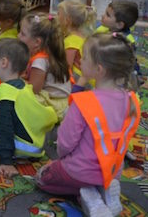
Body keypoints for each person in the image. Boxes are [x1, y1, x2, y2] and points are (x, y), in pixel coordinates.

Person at [35, 33, 140, 217]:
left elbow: (65, 143)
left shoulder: (84, 101)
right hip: (111, 171)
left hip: (78, 171)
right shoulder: (132, 101)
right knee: (82, 173)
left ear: (99, 70)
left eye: (84, 57)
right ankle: (99, 190)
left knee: (42, 178)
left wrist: (59, 162)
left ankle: (86, 192)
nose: (80, 60)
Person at [0, 38, 57, 178]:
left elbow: (4, 128)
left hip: (19, 151)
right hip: (33, 147)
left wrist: (6, 161)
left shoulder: (6, 93)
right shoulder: (21, 86)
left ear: (4, 62)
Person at [17, 13, 71, 121]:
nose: (18, 36)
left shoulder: (40, 62)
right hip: (59, 102)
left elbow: (33, 91)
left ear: (37, 42)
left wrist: (17, 80)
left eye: (22, 34)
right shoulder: (48, 55)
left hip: (54, 106)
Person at [57, 0, 96, 84]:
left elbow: (67, 68)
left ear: (67, 20)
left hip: (81, 81)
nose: (56, 17)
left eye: (58, 14)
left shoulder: (71, 41)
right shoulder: (82, 36)